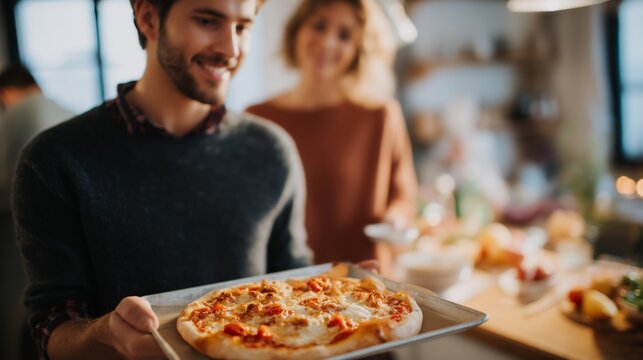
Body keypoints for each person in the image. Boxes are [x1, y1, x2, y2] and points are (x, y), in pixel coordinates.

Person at [11, 0, 316, 358]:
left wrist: (349, 297)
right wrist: (107, 334)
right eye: (207, 21)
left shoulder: (272, 150)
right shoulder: (53, 160)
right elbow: (51, 329)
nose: (230, 49)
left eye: (242, 27)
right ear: (148, 18)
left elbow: (297, 286)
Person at [247, 0, 418, 276]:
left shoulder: (381, 116)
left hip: (365, 287)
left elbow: (404, 195)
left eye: (344, 35)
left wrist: (396, 219)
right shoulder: (257, 119)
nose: (328, 43)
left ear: (359, 50)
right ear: (297, 31)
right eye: (319, 25)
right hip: (282, 291)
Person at [0, 63, 74, 360]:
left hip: (18, 243)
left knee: (20, 321)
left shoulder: (19, 115)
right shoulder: (71, 114)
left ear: (5, 94)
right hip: (73, 245)